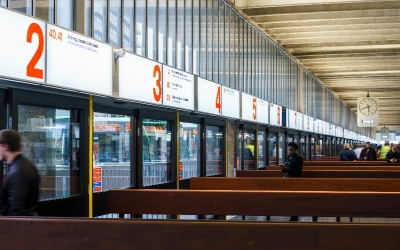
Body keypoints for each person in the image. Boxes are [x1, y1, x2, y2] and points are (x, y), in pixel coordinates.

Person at [0, 129, 40, 216]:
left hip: (19, 227)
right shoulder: (27, 165)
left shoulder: (17, 172)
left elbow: (16, 212)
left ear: (5, 146)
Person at [280, 142, 303, 222]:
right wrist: (283, 168)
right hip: (287, 179)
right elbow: (285, 169)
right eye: (289, 150)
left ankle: (294, 215)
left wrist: (288, 169)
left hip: (294, 181)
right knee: (288, 198)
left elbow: (298, 171)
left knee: (294, 198)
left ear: (295, 150)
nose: (290, 151)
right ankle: (291, 213)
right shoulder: (288, 157)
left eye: (292, 150)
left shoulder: (298, 158)